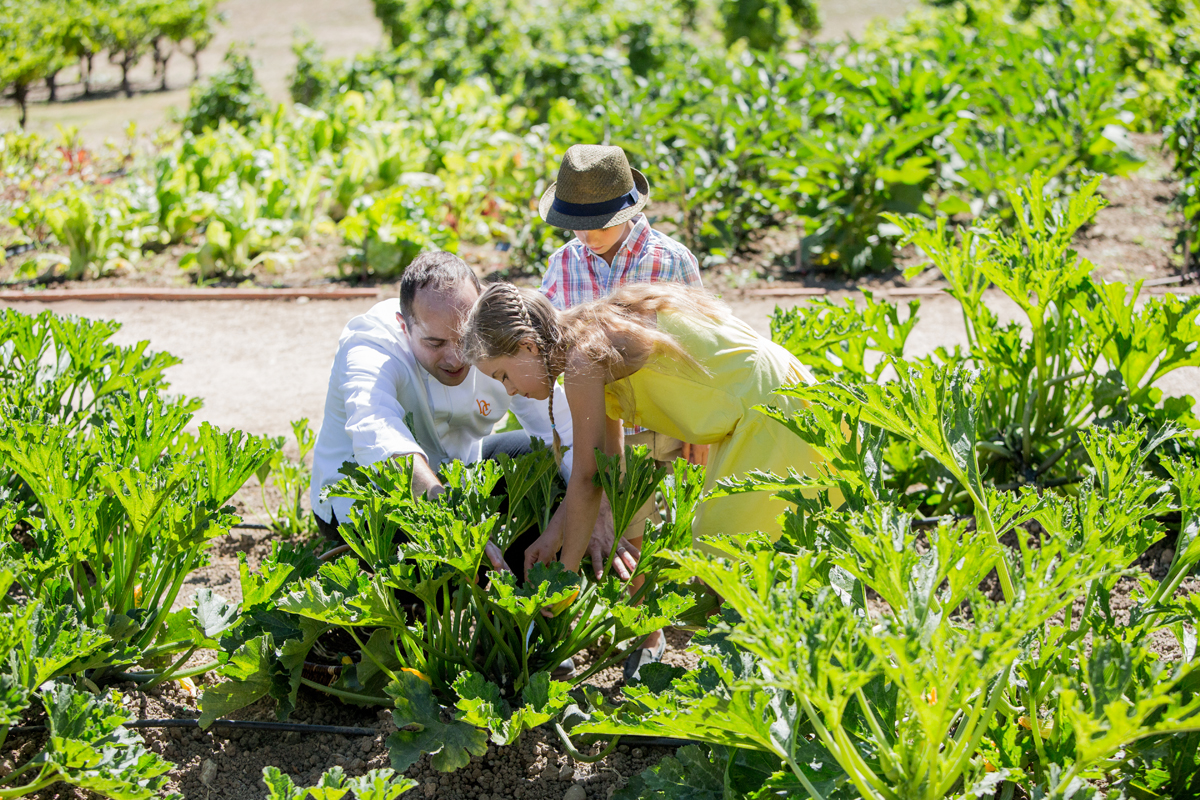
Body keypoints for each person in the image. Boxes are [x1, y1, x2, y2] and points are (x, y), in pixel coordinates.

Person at [462, 280, 836, 580]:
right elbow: (607, 463)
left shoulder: (582, 361)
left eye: (503, 375)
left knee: (729, 564)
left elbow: (587, 478)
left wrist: (564, 576)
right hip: (772, 397)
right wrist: (554, 534)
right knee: (777, 557)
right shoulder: (592, 335)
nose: (509, 390)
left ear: (528, 346)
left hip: (767, 413)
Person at [310, 252, 616, 583]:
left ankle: (520, 600)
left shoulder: (495, 332)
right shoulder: (370, 344)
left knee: (540, 462)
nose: (456, 356)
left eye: (464, 338)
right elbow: (380, 440)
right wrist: (452, 519)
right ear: (404, 326)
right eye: (435, 342)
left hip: (459, 479)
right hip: (367, 503)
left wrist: (595, 509)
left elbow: (561, 431)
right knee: (426, 571)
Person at [539, 143, 708, 468]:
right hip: (607, 428)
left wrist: (699, 425)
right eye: (578, 225)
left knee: (685, 512)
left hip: (672, 418)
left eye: (602, 225)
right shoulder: (564, 264)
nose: (589, 237)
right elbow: (549, 334)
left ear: (628, 212)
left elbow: (701, 345)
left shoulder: (669, 260)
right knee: (627, 516)